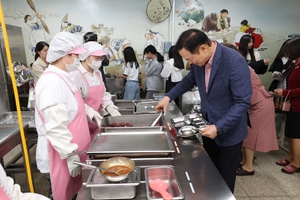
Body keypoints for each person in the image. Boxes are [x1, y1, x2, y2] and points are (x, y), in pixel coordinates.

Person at [155, 29, 252, 193]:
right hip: (208, 126)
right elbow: (187, 82)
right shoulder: (200, 63)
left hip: (229, 131)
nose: (190, 63)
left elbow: (242, 102)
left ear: (203, 48)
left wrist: (219, 127)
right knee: (210, 172)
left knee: (225, 179)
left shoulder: (234, 61)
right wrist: (167, 97)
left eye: (189, 58)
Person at [34, 32, 103, 200]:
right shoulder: (51, 82)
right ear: (64, 55)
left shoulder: (64, 77)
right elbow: (55, 125)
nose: (78, 59)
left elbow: (72, 104)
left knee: (74, 194)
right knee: (60, 195)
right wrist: (70, 154)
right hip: (60, 153)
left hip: (71, 149)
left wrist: (90, 112)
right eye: (76, 55)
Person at [223, 43, 278, 176]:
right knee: (247, 134)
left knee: (251, 135)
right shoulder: (236, 65)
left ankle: (249, 167)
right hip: (255, 102)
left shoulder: (239, 67)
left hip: (260, 103)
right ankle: (244, 161)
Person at [71, 41, 121, 142]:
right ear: (86, 56)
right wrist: (90, 113)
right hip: (82, 121)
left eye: (101, 58)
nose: (99, 61)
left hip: (97, 120)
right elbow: (74, 101)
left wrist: (108, 105)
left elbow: (102, 93)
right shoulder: (76, 74)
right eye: (96, 58)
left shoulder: (97, 72)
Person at [274, 37, 300, 174]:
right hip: (292, 104)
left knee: (296, 134)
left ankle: (297, 162)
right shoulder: (295, 64)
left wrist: (285, 92)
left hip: (298, 106)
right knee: (290, 132)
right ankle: (291, 157)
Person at [268, 39, 294, 137]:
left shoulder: (296, 60)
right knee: (277, 113)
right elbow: (277, 74)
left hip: (291, 90)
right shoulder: (281, 59)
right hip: (280, 88)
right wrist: (277, 74)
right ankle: (274, 135)